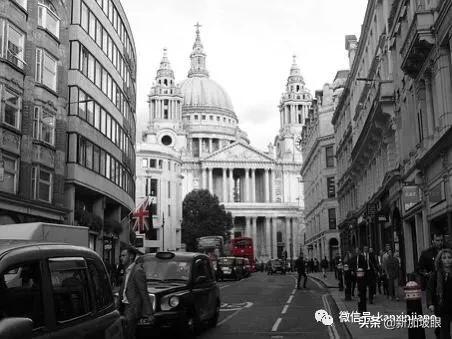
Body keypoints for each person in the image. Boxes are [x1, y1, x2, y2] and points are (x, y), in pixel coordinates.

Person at [118, 247, 153, 339]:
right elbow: (123, 290)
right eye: (121, 255)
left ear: (131, 256)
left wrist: (149, 313)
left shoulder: (138, 271)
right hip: (124, 307)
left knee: (128, 335)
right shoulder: (127, 270)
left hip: (132, 309)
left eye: (123, 255)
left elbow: (143, 293)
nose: (121, 258)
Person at [427, 248, 452, 339]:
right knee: (444, 332)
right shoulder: (436, 274)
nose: (447, 260)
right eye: (444, 258)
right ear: (440, 260)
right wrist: (430, 303)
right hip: (441, 306)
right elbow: (429, 289)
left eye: (449, 257)